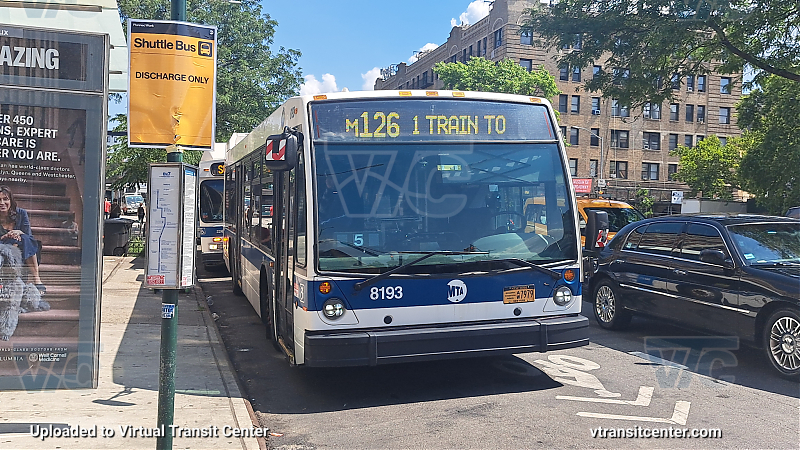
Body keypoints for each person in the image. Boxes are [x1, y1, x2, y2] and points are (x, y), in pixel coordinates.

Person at [0, 186, 45, 293]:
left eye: (5, 199)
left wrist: (19, 232)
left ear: (11, 200)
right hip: (2, 247)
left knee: (26, 239)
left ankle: (36, 278)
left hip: (22, 246)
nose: (2, 202)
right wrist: (5, 237)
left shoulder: (21, 213)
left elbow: (29, 236)